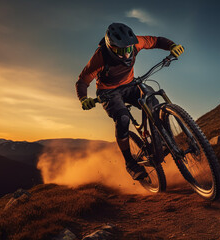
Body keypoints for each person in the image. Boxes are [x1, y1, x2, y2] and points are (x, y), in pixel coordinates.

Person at [76, 23, 184, 180]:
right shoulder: (100, 57)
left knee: (153, 102)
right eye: (121, 50)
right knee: (123, 118)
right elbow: (82, 81)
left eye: (128, 49)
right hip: (108, 92)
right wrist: (83, 99)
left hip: (130, 84)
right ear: (111, 47)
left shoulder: (135, 44)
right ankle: (129, 162)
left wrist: (172, 46)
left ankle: (160, 141)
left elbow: (156, 41)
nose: (126, 54)